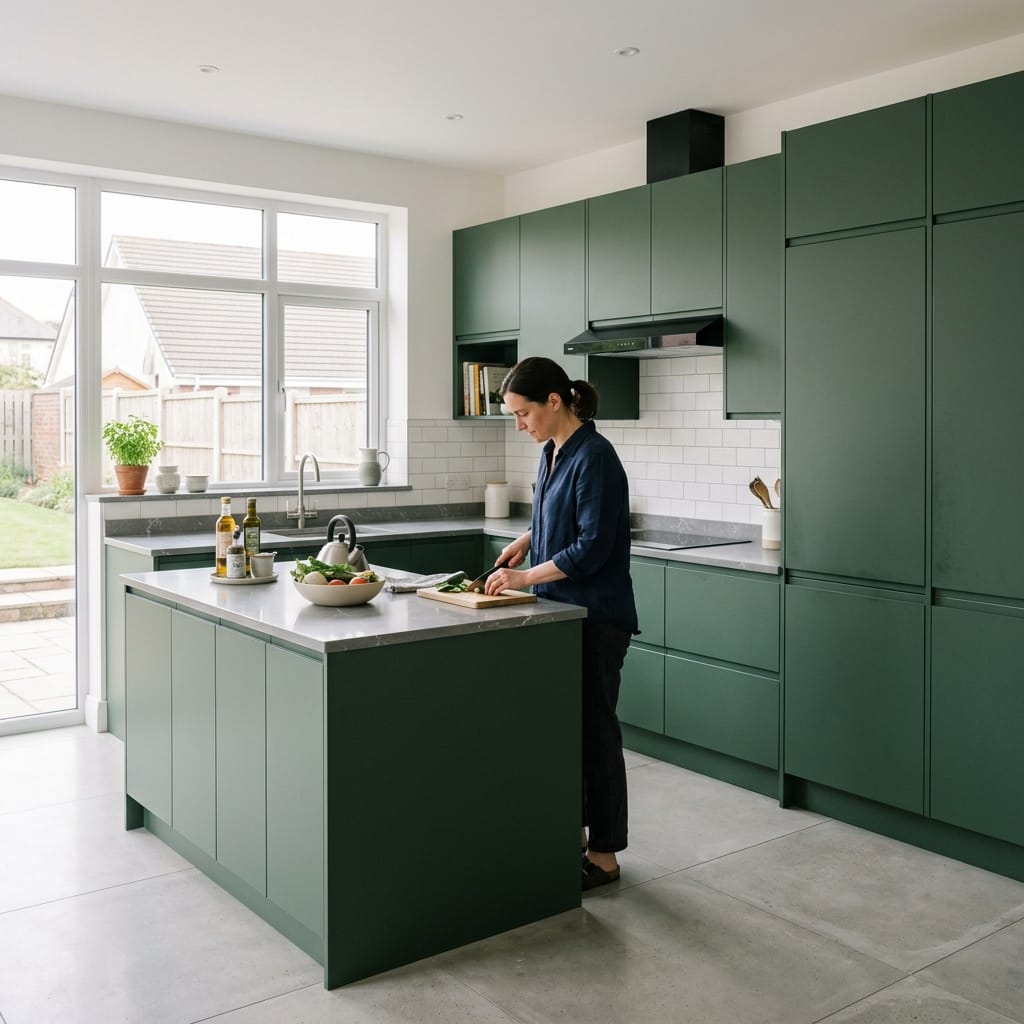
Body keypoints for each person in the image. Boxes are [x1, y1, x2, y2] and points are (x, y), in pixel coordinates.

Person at [483, 356, 638, 891]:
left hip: (596, 618)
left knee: (595, 735)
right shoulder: (553, 452)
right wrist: (524, 541)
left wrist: (526, 579)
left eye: (524, 413)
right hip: (560, 613)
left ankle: (605, 856)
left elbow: (592, 546)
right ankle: (571, 835)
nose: (519, 425)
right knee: (564, 731)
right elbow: (550, 514)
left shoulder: (596, 456)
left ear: (555, 402)